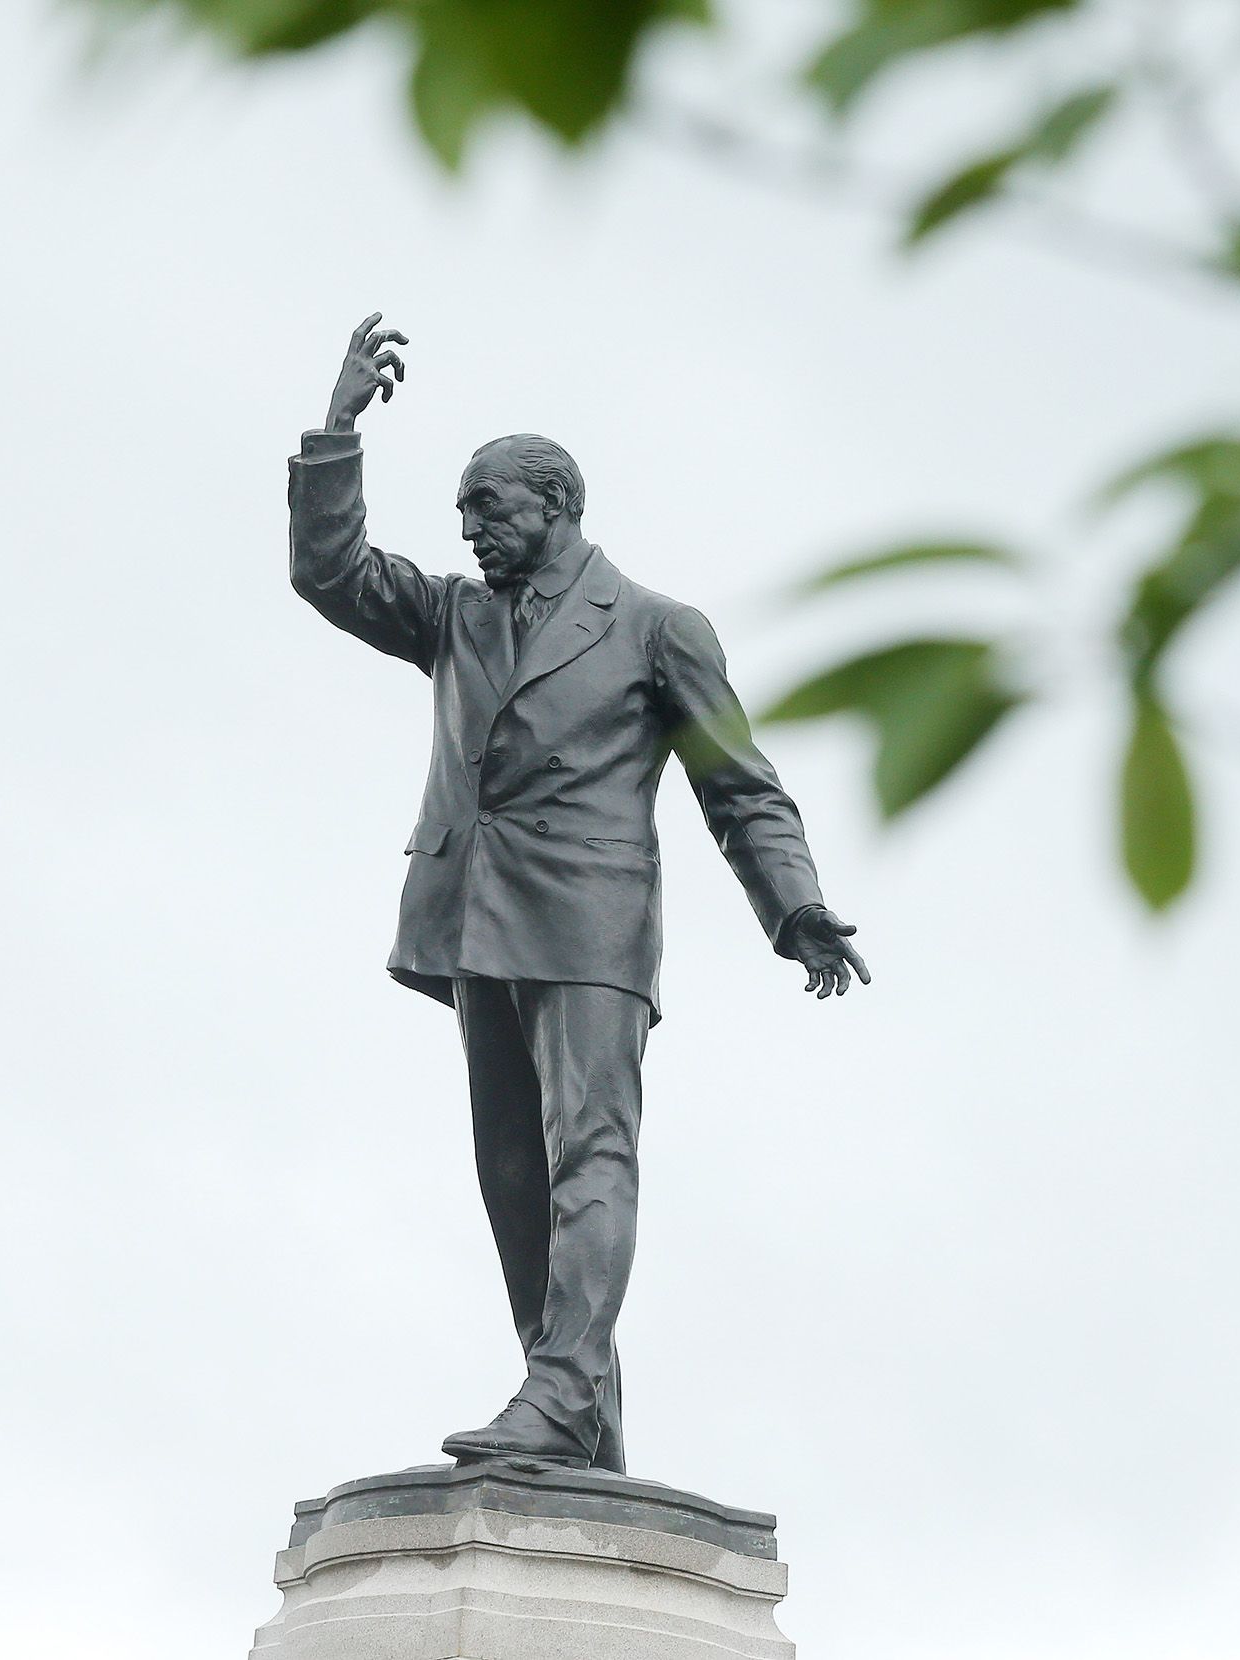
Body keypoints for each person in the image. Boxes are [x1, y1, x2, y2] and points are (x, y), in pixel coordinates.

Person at [285, 313, 869, 1471]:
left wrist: (793, 907)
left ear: (556, 506)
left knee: (590, 1152)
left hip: (592, 926)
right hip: (474, 920)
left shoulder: (657, 627)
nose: (471, 534)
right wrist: (335, 429)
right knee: (511, 1169)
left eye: (487, 512)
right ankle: (573, 1411)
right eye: (461, 518)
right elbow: (331, 573)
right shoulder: (455, 616)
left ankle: (557, 1390)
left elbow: (738, 785)